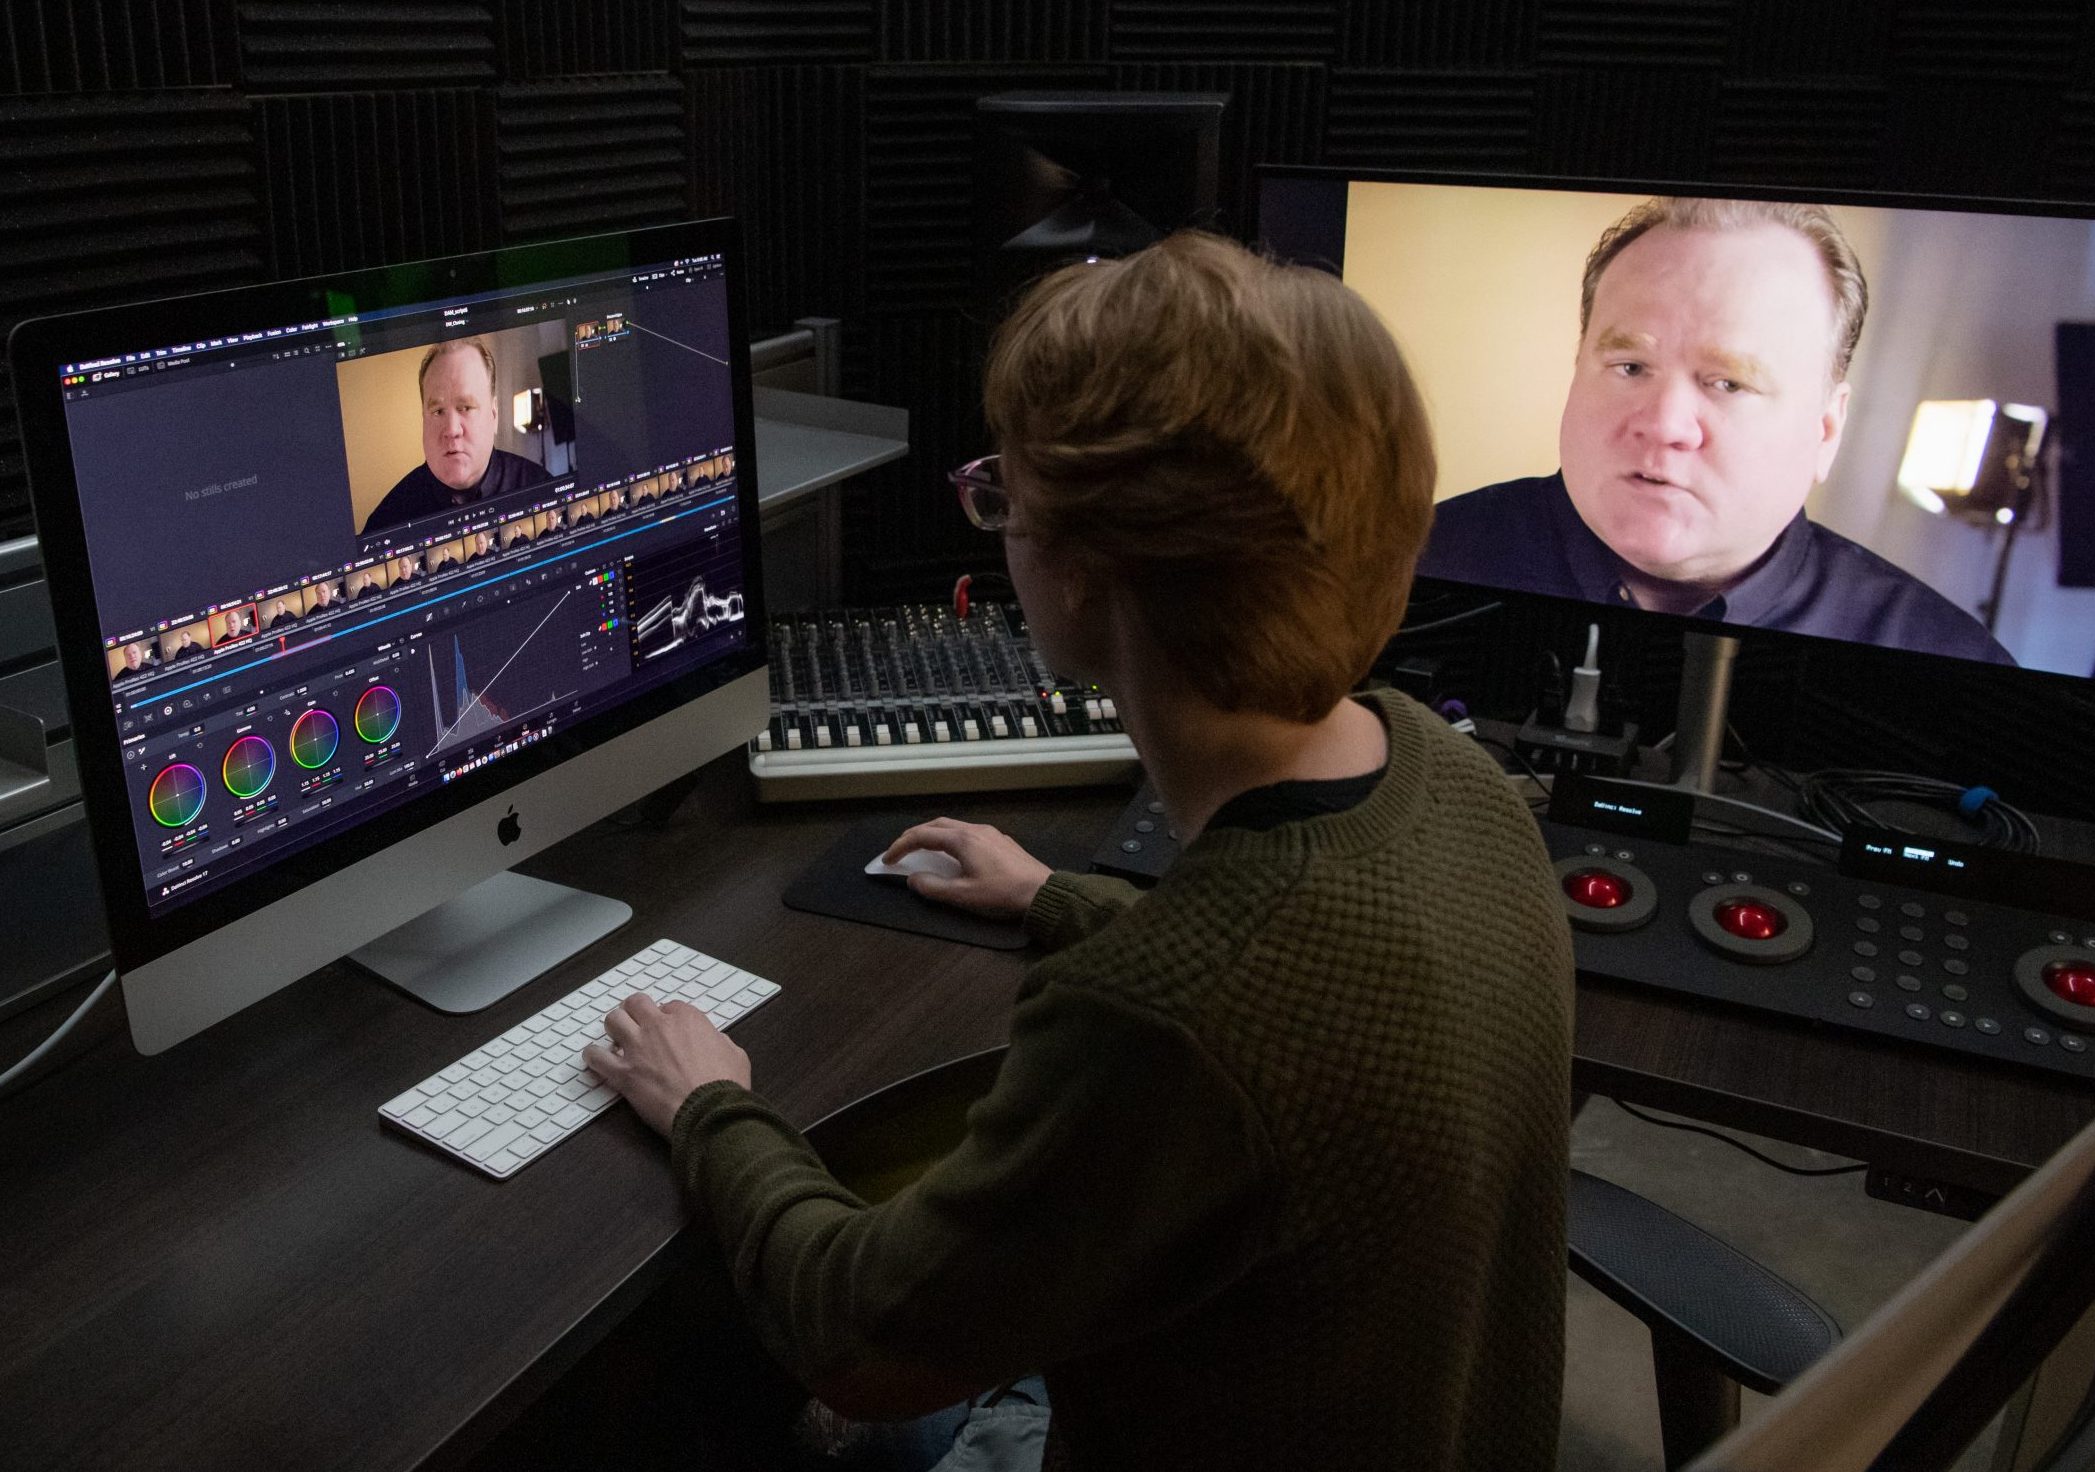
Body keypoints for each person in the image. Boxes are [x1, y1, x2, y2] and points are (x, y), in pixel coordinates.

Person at [585, 234, 1576, 1471]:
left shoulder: (1160, 1019)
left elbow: (857, 1335)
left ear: (1086, 573)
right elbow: (1321, 1006)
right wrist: (1060, 893)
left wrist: (710, 1105)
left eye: (1002, 494)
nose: (993, 522)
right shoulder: (1454, 778)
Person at [1421, 197, 2012, 665]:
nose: (1664, 424)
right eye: (1631, 368)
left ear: (1826, 431)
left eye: (1728, 383)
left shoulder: (1946, 661)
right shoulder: (1405, 567)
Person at [360, 338, 551, 534]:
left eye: (466, 407)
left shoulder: (543, 491)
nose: (452, 430)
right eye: (438, 411)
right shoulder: (386, 522)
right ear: (423, 419)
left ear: (493, 415)